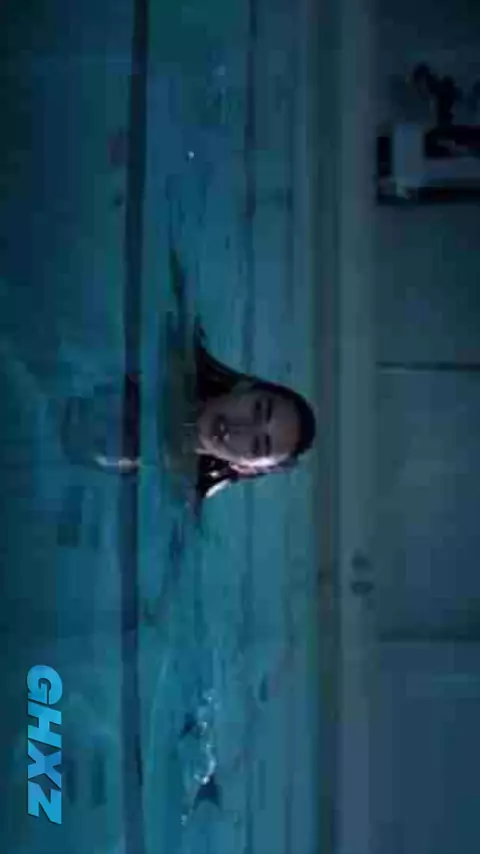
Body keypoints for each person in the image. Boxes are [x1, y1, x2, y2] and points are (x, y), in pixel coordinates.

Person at [60, 322, 316, 501]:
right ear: (245, 388)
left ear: (246, 467)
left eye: (257, 445)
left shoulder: (176, 493)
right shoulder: (168, 358)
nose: (240, 428)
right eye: (258, 409)